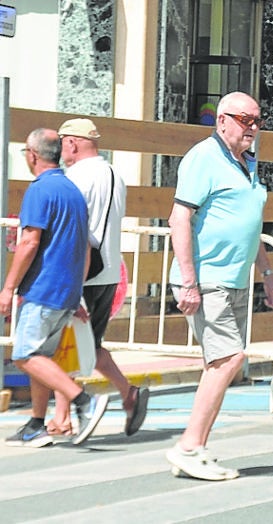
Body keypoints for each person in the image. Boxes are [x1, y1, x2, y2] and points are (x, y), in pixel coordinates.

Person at [166, 91, 273, 481]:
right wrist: (188, 281)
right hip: (207, 278)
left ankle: (196, 447)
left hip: (235, 278)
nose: (252, 127)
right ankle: (188, 446)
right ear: (222, 121)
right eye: (244, 119)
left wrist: (267, 275)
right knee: (229, 359)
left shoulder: (247, 162)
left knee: (221, 363)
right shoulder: (204, 158)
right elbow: (179, 219)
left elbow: (250, 224)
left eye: (257, 120)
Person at [1, 128, 109, 447]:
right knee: (42, 358)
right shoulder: (72, 190)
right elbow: (84, 248)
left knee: (24, 355)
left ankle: (83, 400)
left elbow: (30, 241)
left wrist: (8, 288)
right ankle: (36, 424)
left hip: (42, 288)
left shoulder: (40, 190)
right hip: (65, 292)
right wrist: (75, 293)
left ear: (32, 155)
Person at [44, 118, 149, 438]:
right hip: (107, 272)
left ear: (73, 143)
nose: (61, 150)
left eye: (63, 143)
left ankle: (63, 417)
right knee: (86, 342)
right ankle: (127, 394)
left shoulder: (74, 177)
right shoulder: (115, 174)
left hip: (81, 271)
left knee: (64, 342)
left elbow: (72, 228)